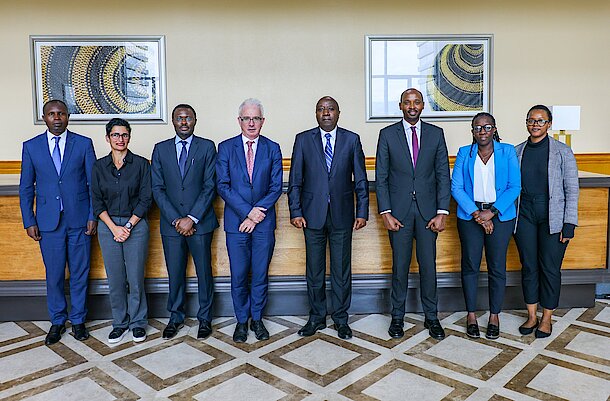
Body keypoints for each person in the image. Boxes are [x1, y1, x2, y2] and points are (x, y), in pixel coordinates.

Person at [288, 96, 368, 340]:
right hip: (311, 216)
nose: (326, 113)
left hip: (342, 216)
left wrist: (362, 212)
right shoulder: (303, 140)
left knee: (341, 271)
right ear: (316, 113)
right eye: (321, 109)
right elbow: (295, 180)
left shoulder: (351, 139)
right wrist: (295, 211)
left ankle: (341, 319)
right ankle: (316, 317)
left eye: (330, 109)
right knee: (314, 270)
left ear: (338, 113)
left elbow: (361, 180)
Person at [19, 99, 97, 345]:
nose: (56, 118)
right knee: (53, 274)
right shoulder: (31, 147)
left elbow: (93, 185)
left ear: (67, 117)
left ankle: (79, 320)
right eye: (51, 114)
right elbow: (25, 188)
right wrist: (29, 220)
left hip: (79, 220)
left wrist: (92, 215)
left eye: (61, 113)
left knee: (80, 273)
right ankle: (57, 320)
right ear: (44, 118)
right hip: (47, 223)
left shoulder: (83, 144)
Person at [375, 88, 450, 340]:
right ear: (400, 106)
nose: (412, 106)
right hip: (399, 214)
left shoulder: (436, 134)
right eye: (407, 102)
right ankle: (397, 317)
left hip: (429, 214)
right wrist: (385, 212)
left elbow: (443, 174)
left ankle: (432, 317)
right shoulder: (387, 134)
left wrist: (442, 211)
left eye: (416, 102)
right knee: (400, 267)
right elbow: (381, 177)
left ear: (422, 106)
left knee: (429, 267)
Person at [216, 99, 283, 343]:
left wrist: (256, 214)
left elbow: (276, 187)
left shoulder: (273, 148)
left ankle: (257, 319)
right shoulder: (226, 148)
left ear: (263, 121)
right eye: (247, 118)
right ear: (239, 121)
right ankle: (241, 321)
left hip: (264, 224)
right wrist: (248, 213)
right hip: (237, 224)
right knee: (239, 275)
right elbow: (223, 185)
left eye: (256, 118)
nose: (251, 123)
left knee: (260, 274)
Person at [151, 104, 219, 340]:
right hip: (172, 226)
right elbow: (157, 188)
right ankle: (175, 317)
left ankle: (205, 318)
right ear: (173, 121)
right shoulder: (160, 149)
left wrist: (191, 218)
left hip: (200, 223)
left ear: (195, 120)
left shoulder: (207, 147)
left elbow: (210, 186)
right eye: (179, 118)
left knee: (204, 272)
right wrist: (176, 220)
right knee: (175, 272)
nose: (183, 122)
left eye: (187, 118)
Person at [451, 113, 521, 339]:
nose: (482, 131)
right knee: (470, 265)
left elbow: (514, 186)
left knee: (497, 267)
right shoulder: (465, 152)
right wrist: (477, 214)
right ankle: (471, 315)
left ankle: (494, 316)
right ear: (472, 131)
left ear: (494, 129)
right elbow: (456, 188)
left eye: (487, 127)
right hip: (470, 216)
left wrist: (491, 213)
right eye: (478, 127)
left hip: (500, 216)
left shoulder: (507, 151)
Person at [514, 105, 579, 338]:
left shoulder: (562, 151)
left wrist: (569, 223)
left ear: (549, 124)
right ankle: (532, 316)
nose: (535, 124)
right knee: (529, 266)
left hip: (553, 216)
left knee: (550, 268)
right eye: (531, 120)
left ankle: (547, 318)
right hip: (524, 215)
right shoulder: (517, 151)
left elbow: (572, 189)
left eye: (540, 121)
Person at [91, 118, 152, 343]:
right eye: (115, 135)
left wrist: (127, 226)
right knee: (115, 278)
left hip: (135, 225)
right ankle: (119, 323)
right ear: (107, 138)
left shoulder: (141, 165)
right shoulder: (99, 167)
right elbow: (96, 201)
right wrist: (113, 228)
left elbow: (146, 199)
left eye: (124, 134)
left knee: (135, 278)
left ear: (129, 137)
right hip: (108, 227)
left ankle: (138, 323)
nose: (120, 139)